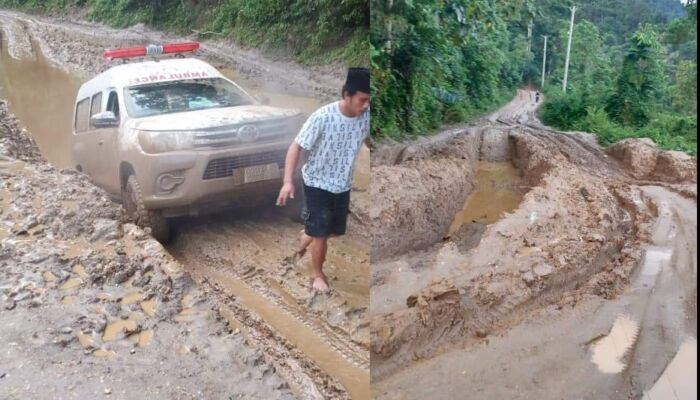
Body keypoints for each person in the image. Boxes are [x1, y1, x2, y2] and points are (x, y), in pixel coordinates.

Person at [276, 67, 370, 292]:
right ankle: (318, 275)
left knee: (334, 230)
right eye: (362, 99)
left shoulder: (366, 117)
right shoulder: (322, 117)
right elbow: (296, 146)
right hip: (317, 183)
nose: (366, 105)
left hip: (342, 184)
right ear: (347, 95)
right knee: (321, 234)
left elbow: (368, 140)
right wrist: (288, 181)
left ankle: (307, 233)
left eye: (369, 101)